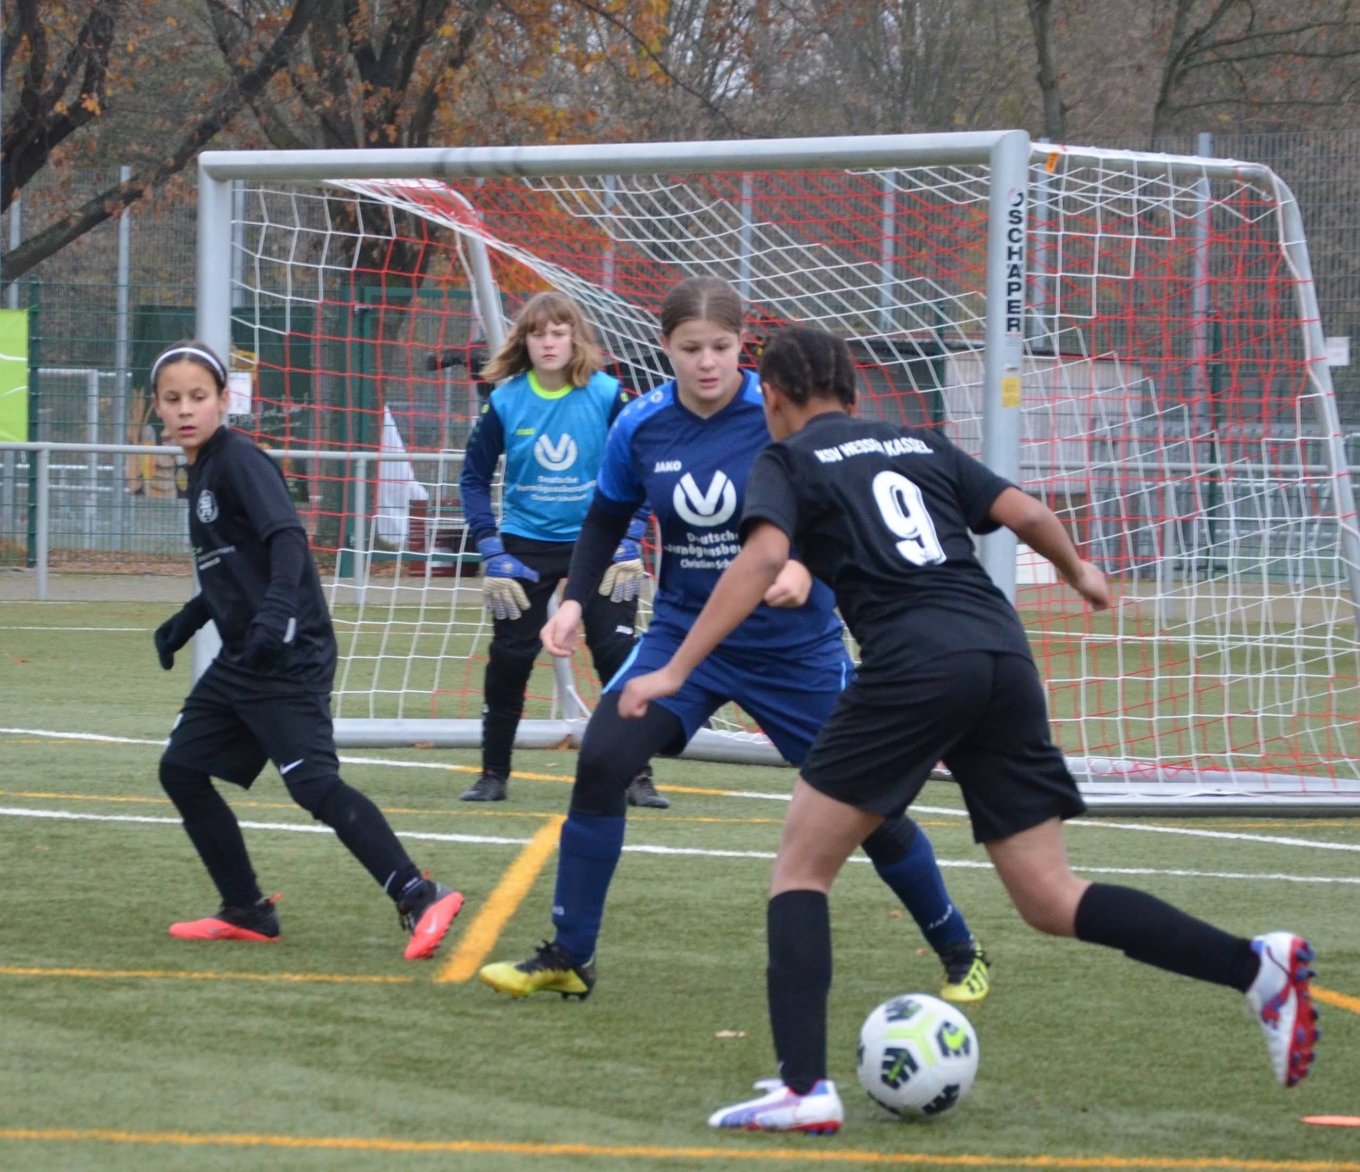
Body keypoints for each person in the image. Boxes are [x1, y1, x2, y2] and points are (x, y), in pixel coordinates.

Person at [615, 323, 1319, 1135]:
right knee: (1051, 897)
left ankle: (803, 1088)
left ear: (770, 396)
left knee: (801, 870)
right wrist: (1080, 571)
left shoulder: (787, 457)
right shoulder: (921, 442)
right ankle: (1253, 966)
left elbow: (763, 560)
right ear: (854, 389)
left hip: (914, 664)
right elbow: (1025, 510)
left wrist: (672, 670)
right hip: (1000, 654)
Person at [478, 278, 990, 1005]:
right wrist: (570, 601)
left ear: (743, 347)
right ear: (665, 349)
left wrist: (807, 570)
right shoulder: (641, 424)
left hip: (794, 649)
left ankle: (958, 945)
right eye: (691, 349)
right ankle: (570, 952)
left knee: (866, 807)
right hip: (687, 634)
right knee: (603, 758)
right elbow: (604, 520)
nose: (707, 363)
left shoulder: (779, 413)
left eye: (721, 347)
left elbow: (841, 513)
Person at [148, 340, 465, 957]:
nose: (186, 409)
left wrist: (274, 619)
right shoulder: (203, 468)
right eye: (172, 399)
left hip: (287, 652)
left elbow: (288, 541)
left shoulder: (238, 460)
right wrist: (190, 618)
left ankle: (421, 894)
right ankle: (246, 908)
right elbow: (234, 567)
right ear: (158, 407)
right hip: (244, 656)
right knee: (181, 769)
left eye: (198, 396)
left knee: (313, 785)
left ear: (222, 401)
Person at [457, 290, 663, 806]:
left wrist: (630, 538)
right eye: (538, 333)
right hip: (523, 547)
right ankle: (493, 774)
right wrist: (492, 550)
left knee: (618, 652)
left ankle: (638, 775)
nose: (548, 342)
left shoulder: (608, 394)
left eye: (558, 332)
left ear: (575, 338)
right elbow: (473, 479)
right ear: (524, 341)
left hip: (603, 543)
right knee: (509, 659)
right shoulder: (504, 400)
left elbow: (644, 470)